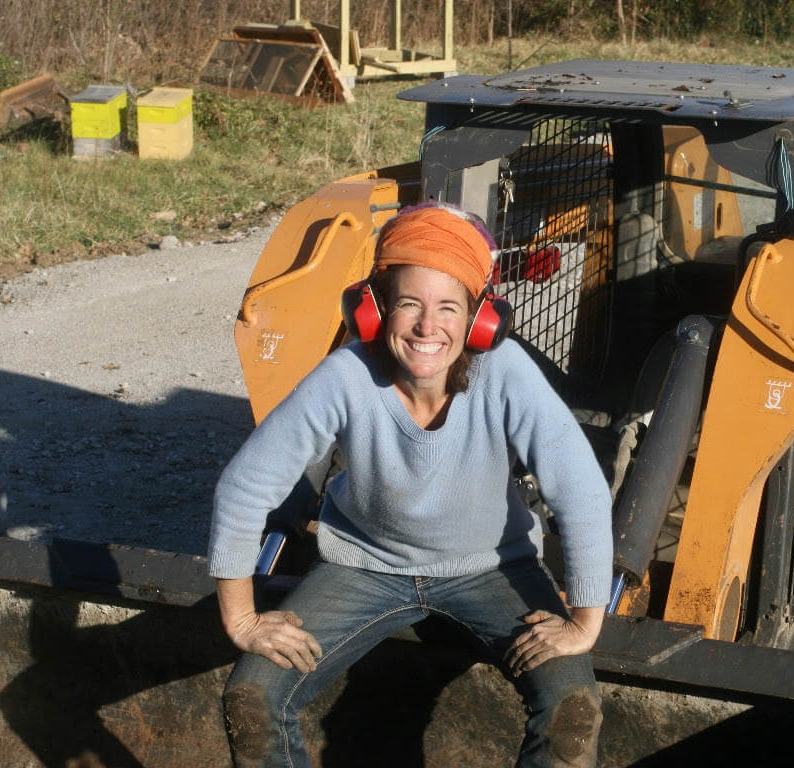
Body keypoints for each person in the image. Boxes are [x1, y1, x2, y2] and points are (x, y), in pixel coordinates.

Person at [208, 202, 614, 767]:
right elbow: (245, 486)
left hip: (495, 569)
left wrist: (585, 624)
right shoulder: (347, 375)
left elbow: (581, 488)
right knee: (251, 700)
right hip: (362, 567)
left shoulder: (506, 374)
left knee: (572, 710)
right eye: (409, 305)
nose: (428, 326)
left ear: (479, 320)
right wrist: (242, 619)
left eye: (449, 307)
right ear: (373, 310)